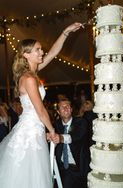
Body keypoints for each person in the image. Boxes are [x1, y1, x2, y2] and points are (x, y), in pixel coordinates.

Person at [0, 22, 82, 188]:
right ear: (26, 55)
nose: (42, 52)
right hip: (30, 133)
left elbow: (52, 53)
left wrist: (66, 31)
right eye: (37, 49)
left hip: (34, 130)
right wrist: (52, 131)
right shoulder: (29, 79)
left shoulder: (32, 74)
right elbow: (40, 110)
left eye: (40, 49)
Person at [52, 98, 90, 188]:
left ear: (71, 109)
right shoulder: (55, 125)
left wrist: (60, 138)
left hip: (77, 168)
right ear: (58, 111)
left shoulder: (81, 122)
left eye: (68, 106)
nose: (66, 108)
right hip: (60, 168)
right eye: (62, 107)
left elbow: (76, 136)